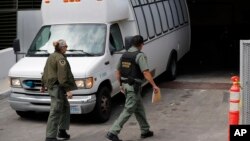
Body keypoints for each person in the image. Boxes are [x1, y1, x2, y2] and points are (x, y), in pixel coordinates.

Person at [106, 35, 160, 141]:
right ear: (141, 44)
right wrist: (154, 85)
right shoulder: (140, 56)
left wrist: (121, 85)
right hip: (133, 87)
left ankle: (145, 130)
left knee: (139, 108)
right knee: (129, 109)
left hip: (127, 86)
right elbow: (145, 72)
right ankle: (112, 132)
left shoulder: (124, 55)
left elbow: (117, 72)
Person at [41, 39, 77, 141]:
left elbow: (45, 71)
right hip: (57, 87)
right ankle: (50, 136)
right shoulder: (60, 59)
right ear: (61, 47)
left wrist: (43, 84)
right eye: (65, 46)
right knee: (55, 111)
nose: (67, 47)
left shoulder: (51, 56)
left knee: (65, 107)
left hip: (55, 86)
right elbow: (62, 77)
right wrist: (68, 90)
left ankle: (62, 131)